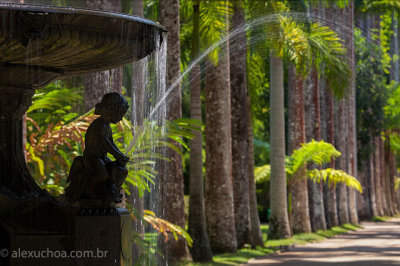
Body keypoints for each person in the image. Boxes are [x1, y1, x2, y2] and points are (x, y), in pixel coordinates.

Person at [65, 92, 130, 204]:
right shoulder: (100, 125)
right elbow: (105, 143)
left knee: (121, 170)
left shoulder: (107, 126)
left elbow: (112, 143)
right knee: (102, 174)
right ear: (111, 111)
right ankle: (89, 188)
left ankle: (111, 191)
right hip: (91, 158)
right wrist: (117, 155)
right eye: (120, 115)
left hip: (102, 158)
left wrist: (121, 156)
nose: (121, 118)